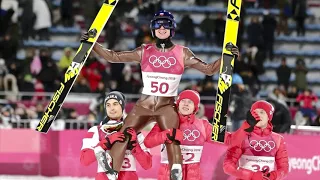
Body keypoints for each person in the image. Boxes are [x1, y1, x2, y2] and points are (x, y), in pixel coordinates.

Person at [81, 10, 239, 180]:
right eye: (158, 24)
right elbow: (114, 57)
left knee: (172, 135)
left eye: (166, 24)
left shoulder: (182, 53)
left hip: (166, 106)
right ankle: (112, 172)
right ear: (152, 29)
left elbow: (208, 70)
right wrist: (93, 44)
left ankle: (176, 170)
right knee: (124, 135)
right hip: (144, 105)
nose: (162, 27)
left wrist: (227, 57)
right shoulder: (144, 51)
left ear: (172, 29)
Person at [143, 90, 220, 179]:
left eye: (190, 102)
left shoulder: (203, 125)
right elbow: (148, 142)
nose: (186, 104)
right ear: (178, 104)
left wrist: (237, 133)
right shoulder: (165, 123)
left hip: (193, 175)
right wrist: (167, 134)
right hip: (168, 173)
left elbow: (226, 139)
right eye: (183, 101)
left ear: (195, 107)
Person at [80, 91, 152, 180]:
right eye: (108, 105)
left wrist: (135, 146)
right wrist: (105, 143)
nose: (112, 108)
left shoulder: (134, 131)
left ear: (122, 106)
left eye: (115, 104)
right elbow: (84, 160)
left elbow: (147, 164)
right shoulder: (96, 131)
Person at [223, 100, 289, 180]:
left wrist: (273, 176)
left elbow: (284, 169)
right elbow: (228, 166)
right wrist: (250, 175)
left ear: (269, 117)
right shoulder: (242, 136)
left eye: (262, 112)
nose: (258, 115)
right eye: (255, 112)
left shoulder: (278, 139)